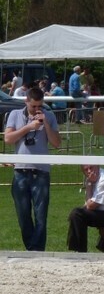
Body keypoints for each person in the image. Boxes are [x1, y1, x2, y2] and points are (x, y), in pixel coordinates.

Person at [4, 87, 62, 251]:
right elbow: (8, 138)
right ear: (26, 101)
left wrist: (46, 125)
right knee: (23, 215)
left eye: (40, 106)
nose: (37, 109)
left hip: (41, 172)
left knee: (41, 215)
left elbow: (57, 143)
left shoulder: (49, 116)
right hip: (21, 171)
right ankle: (32, 248)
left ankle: (36, 249)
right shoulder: (15, 115)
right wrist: (28, 127)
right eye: (34, 106)